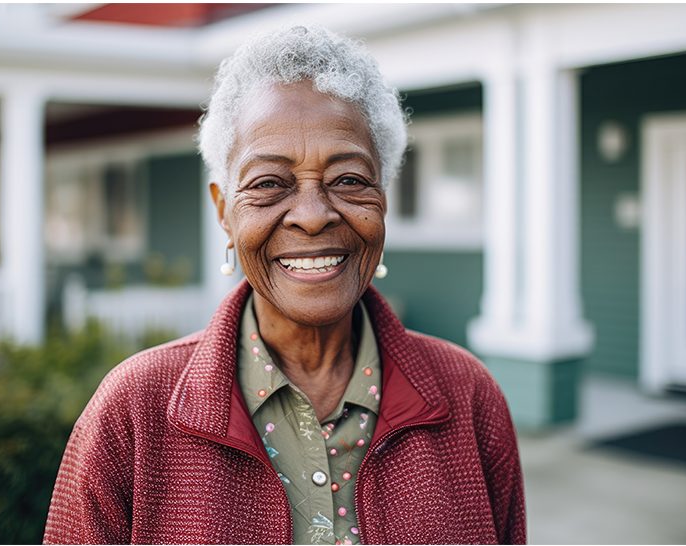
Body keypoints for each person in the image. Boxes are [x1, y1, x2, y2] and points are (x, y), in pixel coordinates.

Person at [44, 23, 525, 545]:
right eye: (269, 183)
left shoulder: (470, 398)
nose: (314, 216)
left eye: (348, 180)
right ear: (224, 212)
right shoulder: (132, 413)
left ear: (382, 203)